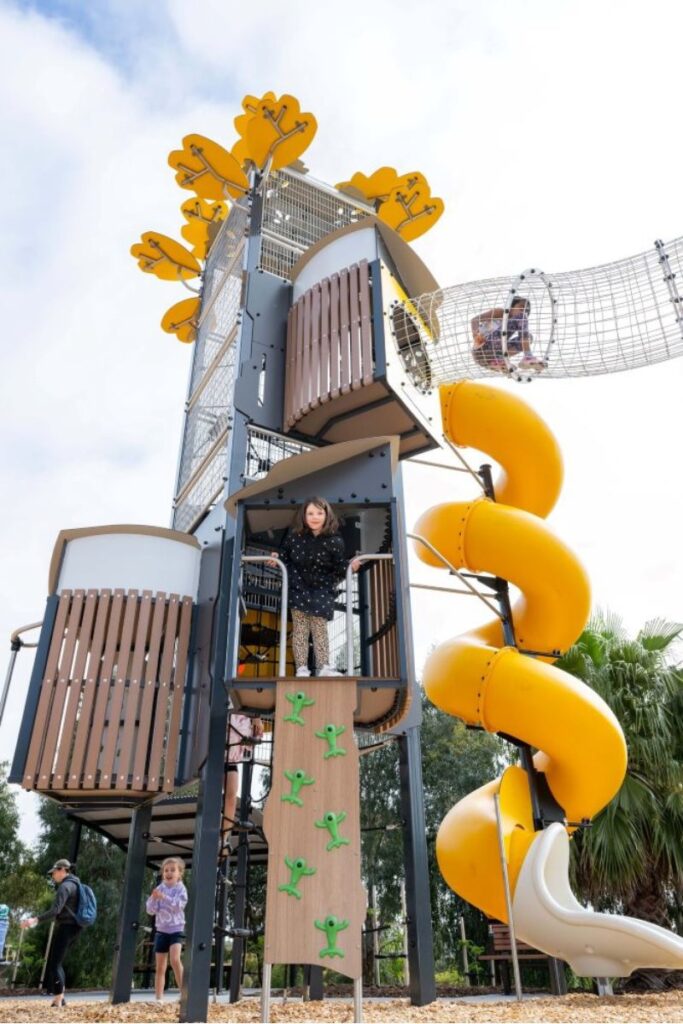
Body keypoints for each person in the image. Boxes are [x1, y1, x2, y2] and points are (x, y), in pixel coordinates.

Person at [268, 497, 360, 677]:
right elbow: (285, 555)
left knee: (319, 627)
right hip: (298, 586)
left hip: (322, 588)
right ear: (304, 516)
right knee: (301, 628)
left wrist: (351, 567)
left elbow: (339, 566)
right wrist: (276, 557)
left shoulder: (334, 540)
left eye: (319, 513)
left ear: (327, 515)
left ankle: (324, 666)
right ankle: (302, 668)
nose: (315, 517)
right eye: (310, 513)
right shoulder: (295, 536)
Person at [20, 858, 84, 1008]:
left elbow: (56, 910)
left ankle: (59, 999)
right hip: (75, 927)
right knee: (58, 962)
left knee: (54, 964)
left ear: (62, 870)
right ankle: (59, 999)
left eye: (54, 872)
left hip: (67, 926)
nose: (52, 875)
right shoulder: (76, 884)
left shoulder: (65, 886)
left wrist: (34, 920)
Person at [145, 856, 187, 1004]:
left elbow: (178, 906)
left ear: (179, 873)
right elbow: (150, 910)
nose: (168, 873)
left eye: (172, 870)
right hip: (161, 931)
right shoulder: (159, 888)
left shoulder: (181, 889)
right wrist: (154, 898)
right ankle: (158, 999)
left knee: (175, 960)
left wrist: (164, 897)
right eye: (166, 870)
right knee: (160, 966)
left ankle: (184, 995)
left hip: (176, 929)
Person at [471, 296, 545, 372]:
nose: (523, 311)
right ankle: (528, 357)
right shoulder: (501, 312)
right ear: (511, 306)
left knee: (529, 337)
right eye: (521, 307)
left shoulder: (513, 323)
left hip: (492, 356)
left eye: (526, 310)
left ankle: (499, 361)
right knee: (521, 317)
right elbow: (475, 320)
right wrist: (476, 336)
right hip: (481, 349)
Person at [223, 713, 264, 846]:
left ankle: (224, 839)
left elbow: (250, 745)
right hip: (215, 755)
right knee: (215, 795)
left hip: (230, 760)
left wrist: (256, 720)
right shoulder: (228, 709)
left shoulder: (251, 721)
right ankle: (219, 835)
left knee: (231, 797)